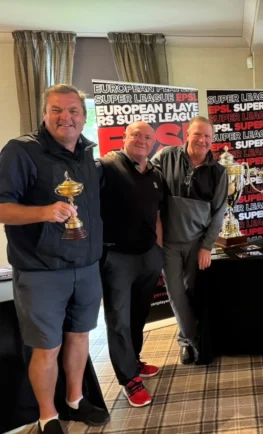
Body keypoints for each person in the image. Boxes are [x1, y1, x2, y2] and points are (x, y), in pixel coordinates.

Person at [0, 84, 109, 434]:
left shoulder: (87, 154)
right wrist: (44, 212)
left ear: (84, 116)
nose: (66, 117)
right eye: (57, 110)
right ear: (44, 114)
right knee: (47, 347)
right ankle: (47, 415)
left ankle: (75, 400)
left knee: (80, 337)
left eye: (73, 110)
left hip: (86, 266)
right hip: (41, 271)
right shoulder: (21, 151)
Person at [97, 121, 166, 407]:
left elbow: (157, 214)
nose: (142, 140)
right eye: (136, 135)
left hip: (148, 255)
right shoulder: (106, 167)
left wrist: (158, 251)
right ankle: (129, 379)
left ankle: (134, 360)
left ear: (154, 143)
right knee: (119, 319)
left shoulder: (155, 174)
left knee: (139, 314)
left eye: (148, 137)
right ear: (124, 137)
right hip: (117, 257)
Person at [151, 116, 227, 364]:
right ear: (187, 134)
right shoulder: (166, 157)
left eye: (207, 136)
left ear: (212, 140)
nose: (202, 140)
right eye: (197, 134)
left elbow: (218, 213)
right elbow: (143, 176)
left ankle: (187, 339)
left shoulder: (218, 172)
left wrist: (206, 246)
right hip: (169, 243)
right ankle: (194, 342)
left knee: (193, 292)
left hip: (197, 244)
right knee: (175, 294)